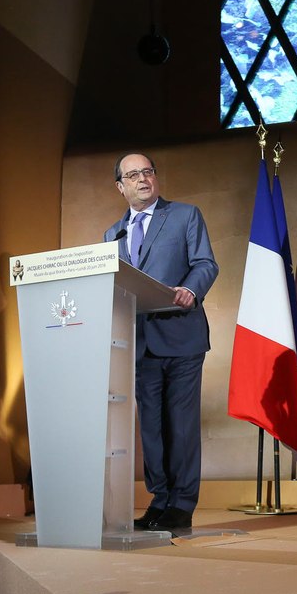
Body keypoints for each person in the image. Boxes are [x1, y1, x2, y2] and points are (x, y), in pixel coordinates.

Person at [104, 153, 219, 532]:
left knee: (180, 424)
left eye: (148, 172)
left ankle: (182, 503)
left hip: (182, 335)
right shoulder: (111, 236)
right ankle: (160, 498)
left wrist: (190, 288)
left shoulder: (185, 215)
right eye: (133, 175)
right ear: (121, 187)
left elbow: (206, 263)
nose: (143, 179)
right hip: (138, 343)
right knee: (151, 427)